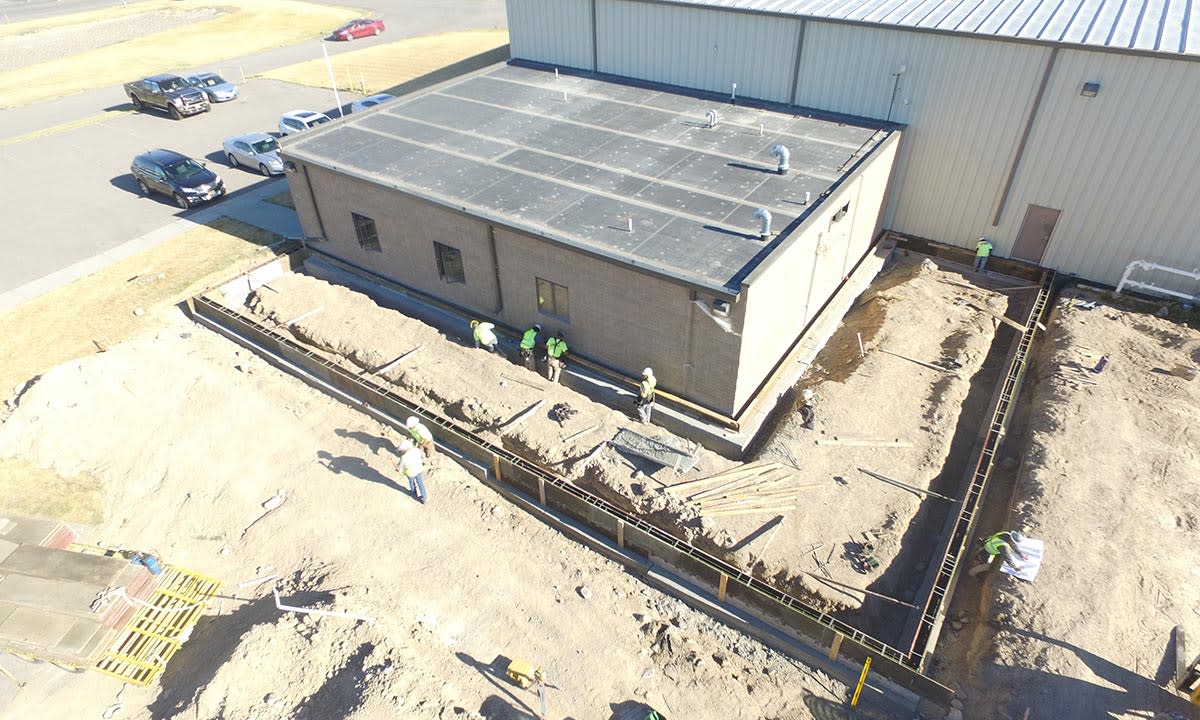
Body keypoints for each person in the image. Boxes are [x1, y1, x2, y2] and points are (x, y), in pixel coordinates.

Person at [397, 438, 427, 504]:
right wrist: (423, 460)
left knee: (411, 483)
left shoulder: (404, 457)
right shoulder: (416, 450)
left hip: (410, 472)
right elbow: (423, 455)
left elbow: (400, 466)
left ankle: (413, 493)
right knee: (420, 483)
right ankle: (424, 498)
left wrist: (398, 468)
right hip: (419, 469)